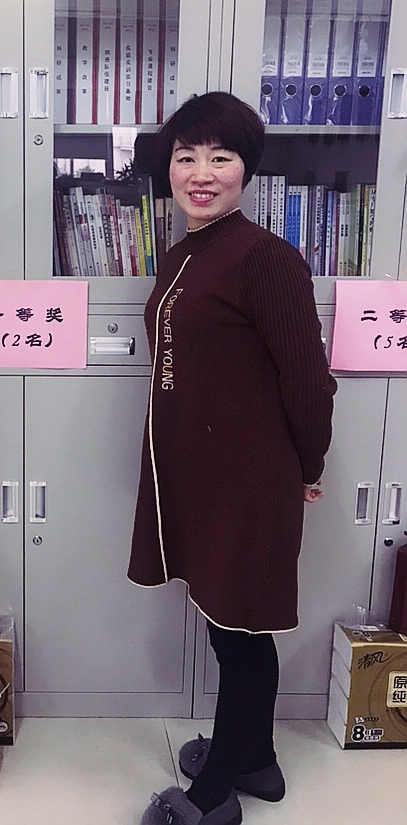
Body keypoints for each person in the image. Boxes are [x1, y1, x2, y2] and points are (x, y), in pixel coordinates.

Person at [129, 92, 337, 825]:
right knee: (231, 626)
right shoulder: (189, 250)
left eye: (221, 157)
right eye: (186, 157)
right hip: (205, 475)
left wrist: (309, 465)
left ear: (247, 169)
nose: (201, 173)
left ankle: (214, 793)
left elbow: (308, 380)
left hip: (250, 478)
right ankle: (257, 760)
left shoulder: (267, 258)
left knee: (241, 633)